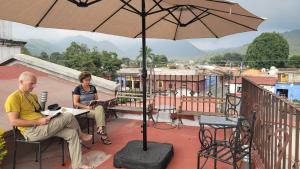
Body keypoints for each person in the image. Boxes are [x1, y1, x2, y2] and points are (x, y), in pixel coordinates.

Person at [4, 71, 93, 169]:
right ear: (21, 81)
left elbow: (37, 112)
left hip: (44, 125)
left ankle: (77, 165)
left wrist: (51, 115)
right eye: (31, 83)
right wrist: (38, 121)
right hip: (32, 131)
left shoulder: (32, 96)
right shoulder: (13, 98)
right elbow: (14, 121)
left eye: (35, 83)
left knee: (72, 133)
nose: (34, 86)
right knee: (68, 116)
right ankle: (81, 135)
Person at [73, 71, 111, 145]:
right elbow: (75, 103)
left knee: (99, 107)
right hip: (83, 110)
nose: (88, 81)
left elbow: (96, 99)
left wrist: (95, 102)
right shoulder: (78, 88)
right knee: (101, 114)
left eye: (89, 80)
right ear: (82, 80)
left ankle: (100, 128)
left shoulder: (93, 88)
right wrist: (86, 107)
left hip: (93, 108)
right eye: (86, 80)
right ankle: (103, 136)